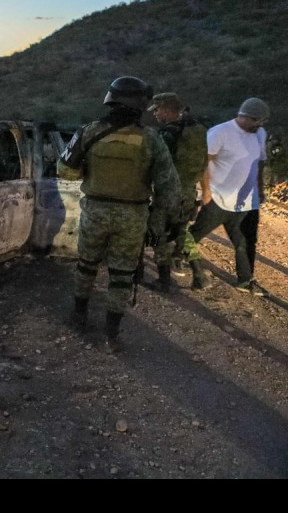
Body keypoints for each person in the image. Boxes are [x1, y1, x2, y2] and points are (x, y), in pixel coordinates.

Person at [58, 76, 180, 353]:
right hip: (133, 216)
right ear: (141, 105)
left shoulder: (88, 131)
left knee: (86, 266)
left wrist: (91, 172)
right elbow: (169, 188)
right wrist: (161, 221)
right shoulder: (152, 138)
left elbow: (65, 170)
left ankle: (79, 316)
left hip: (95, 211)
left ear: (110, 100)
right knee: (122, 275)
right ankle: (110, 336)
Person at [185, 97, 270, 296]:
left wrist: (260, 189)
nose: (260, 126)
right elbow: (204, 163)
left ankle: (246, 280)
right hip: (218, 198)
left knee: (243, 243)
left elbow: (259, 162)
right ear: (246, 117)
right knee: (193, 235)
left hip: (244, 203)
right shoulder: (220, 133)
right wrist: (206, 191)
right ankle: (176, 257)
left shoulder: (260, 133)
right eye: (258, 122)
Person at [147, 93, 208, 291]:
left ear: (166, 110)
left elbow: (157, 163)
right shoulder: (196, 130)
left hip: (168, 193)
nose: (155, 114)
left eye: (157, 110)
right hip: (188, 192)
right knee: (182, 231)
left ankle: (164, 280)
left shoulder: (168, 134)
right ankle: (199, 275)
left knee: (158, 234)